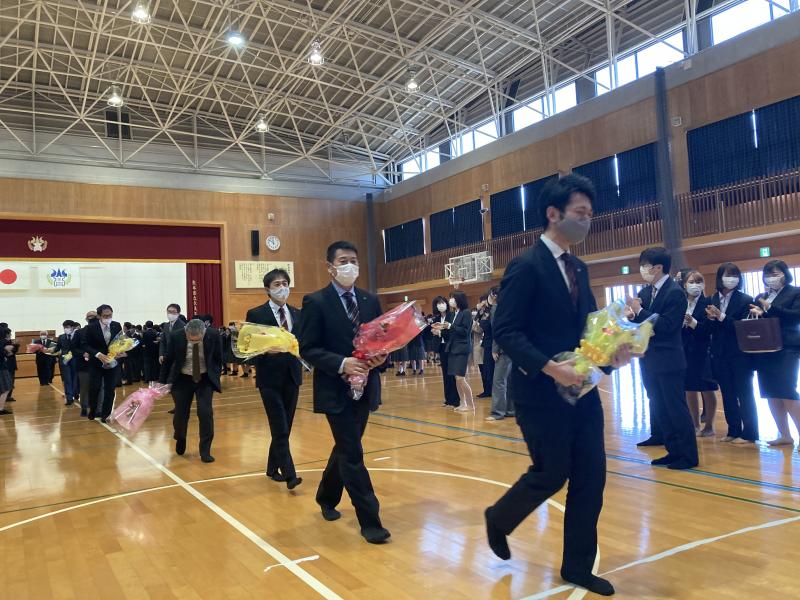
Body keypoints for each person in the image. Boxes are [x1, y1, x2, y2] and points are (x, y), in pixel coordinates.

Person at [485, 174, 630, 597]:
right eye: (580, 213)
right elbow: (505, 330)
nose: (587, 221)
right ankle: (499, 518)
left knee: (591, 477)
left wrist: (612, 353)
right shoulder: (526, 265)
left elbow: (589, 330)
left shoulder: (579, 268)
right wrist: (550, 368)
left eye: (590, 214)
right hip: (540, 393)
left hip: (582, 392)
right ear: (553, 214)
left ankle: (578, 566)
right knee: (552, 473)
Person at [298, 240, 390, 544]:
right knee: (352, 453)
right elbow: (307, 348)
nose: (349, 266)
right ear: (330, 267)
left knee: (346, 447)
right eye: (342, 261)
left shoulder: (370, 300)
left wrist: (381, 358)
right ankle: (371, 521)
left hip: (366, 387)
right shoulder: (316, 302)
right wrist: (341, 363)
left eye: (353, 260)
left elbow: (381, 340)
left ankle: (326, 496)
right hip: (334, 389)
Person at [628, 247, 699, 470]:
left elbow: (668, 325)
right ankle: (672, 450)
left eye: (645, 265)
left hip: (669, 360)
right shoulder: (646, 292)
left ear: (658, 267)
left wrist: (640, 312)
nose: (642, 270)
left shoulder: (675, 292)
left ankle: (688, 455)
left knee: (675, 408)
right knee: (660, 407)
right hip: (648, 358)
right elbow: (642, 322)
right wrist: (631, 316)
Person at [246, 268, 303, 490]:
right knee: (279, 426)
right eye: (277, 284)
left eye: (285, 283)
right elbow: (247, 346)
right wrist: (264, 351)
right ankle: (290, 474)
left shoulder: (297, 313)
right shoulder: (256, 314)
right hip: (269, 379)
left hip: (292, 376)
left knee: (285, 426)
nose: (282, 288)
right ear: (267, 289)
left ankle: (272, 468)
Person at [704, 263, 758, 444]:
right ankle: (733, 430)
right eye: (728, 275)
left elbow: (741, 327)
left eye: (735, 275)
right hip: (720, 354)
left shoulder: (745, 299)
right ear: (720, 277)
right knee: (727, 394)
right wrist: (711, 319)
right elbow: (709, 329)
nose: (732, 278)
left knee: (745, 393)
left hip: (740, 354)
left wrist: (721, 316)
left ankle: (750, 433)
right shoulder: (712, 299)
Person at [749, 259, 800, 447]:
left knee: (787, 391)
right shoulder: (762, 296)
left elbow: (795, 316)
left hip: (788, 347)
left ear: (785, 275)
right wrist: (760, 311)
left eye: (776, 273)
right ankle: (785, 435)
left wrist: (769, 308)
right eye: (768, 274)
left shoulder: (795, 292)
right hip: (764, 348)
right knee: (770, 392)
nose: (771, 277)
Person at [160, 318, 223, 463]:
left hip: (204, 379)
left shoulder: (213, 334)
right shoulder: (176, 336)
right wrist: (162, 382)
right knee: (181, 414)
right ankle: (180, 437)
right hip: (182, 379)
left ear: (204, 332)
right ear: (186, 331)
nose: (194, 342)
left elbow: (218, 358)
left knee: (205, 413)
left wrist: (215, 374)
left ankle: (205, 450)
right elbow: (168, 360)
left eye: (197, 340)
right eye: (190, 339)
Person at [680, 270, 718, 437]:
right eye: (691, 282)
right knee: (689, 389)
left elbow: (709, 329)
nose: (695, 285)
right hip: (685, 350)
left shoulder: (708, 303)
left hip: (703, 351)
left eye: (698, 281)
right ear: (684, 285)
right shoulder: (681, 303)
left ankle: (709, 426)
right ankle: (695, 424)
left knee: (707, 389)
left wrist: (693, 322)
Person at [81, 304, 123, 422]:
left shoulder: (116, 325)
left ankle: (106, 414)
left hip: (112, 362)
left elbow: (120, 341)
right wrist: (98, 354)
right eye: (105, 316)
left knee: (110, 389)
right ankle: (93, 410)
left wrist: (120, 351)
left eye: (110, 315)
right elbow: (85, 344)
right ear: (99, 316)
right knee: (95, 388)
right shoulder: (91, 327)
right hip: (96, 363)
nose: (108, 317)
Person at [434, 291, 474, 413]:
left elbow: (465, 331)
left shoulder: (466, 313)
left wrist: (450, 326)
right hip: (453, 348)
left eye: (453, 298)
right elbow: (453, 329)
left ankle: (470, 404)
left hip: (462, 348)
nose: (451, 300)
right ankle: (463, 403)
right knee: (456, 378)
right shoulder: (456, 313)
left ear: (459, 300)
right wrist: (442, 327)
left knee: (461, 378)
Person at [486, 289, 514, 421]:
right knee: (508, 379)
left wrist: (495, 349)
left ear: (494, 296)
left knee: (499, 381)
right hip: (513, 348)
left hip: (502, 349)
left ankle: (497, 412)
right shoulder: (511, 307)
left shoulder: (496, 308)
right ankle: (510, 409)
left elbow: (497, 330)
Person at [431, 295, 459, 407]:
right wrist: (434, 331)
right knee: (445, 374)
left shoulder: (451, 316)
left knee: (452, 374)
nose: (441, 305)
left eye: (442, 302)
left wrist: (440, 332)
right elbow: (434, 332)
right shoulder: (436, 319)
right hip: (442, 348)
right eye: (438, 303)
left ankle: (455, 400)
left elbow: (451, 332)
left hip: (451, 347)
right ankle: (448, 399)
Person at [51, 320, 80, 406]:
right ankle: (69, 398)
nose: (66, 329)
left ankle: (75, 392)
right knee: (67, 379)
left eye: (67, 327)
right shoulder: (61, 337)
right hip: (64, 361)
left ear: (72, 327)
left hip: (75, 359)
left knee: (75, 378)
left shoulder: (78, 336)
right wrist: (51, 351)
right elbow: (57, 347)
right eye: (64, 327)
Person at [478, 290, 498, 397]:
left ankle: (492, 391)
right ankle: (488, 390)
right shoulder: (484, 312)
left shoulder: (493, 311)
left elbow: (486, 326)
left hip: (491, 343)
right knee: (486, 369)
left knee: (491, 369)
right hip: (486, 343)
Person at [0, 326, 15, 415]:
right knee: (6, 388)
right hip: (1, 368)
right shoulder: (2, 342)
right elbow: (5, 353)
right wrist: (6, 350)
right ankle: (1, 409)